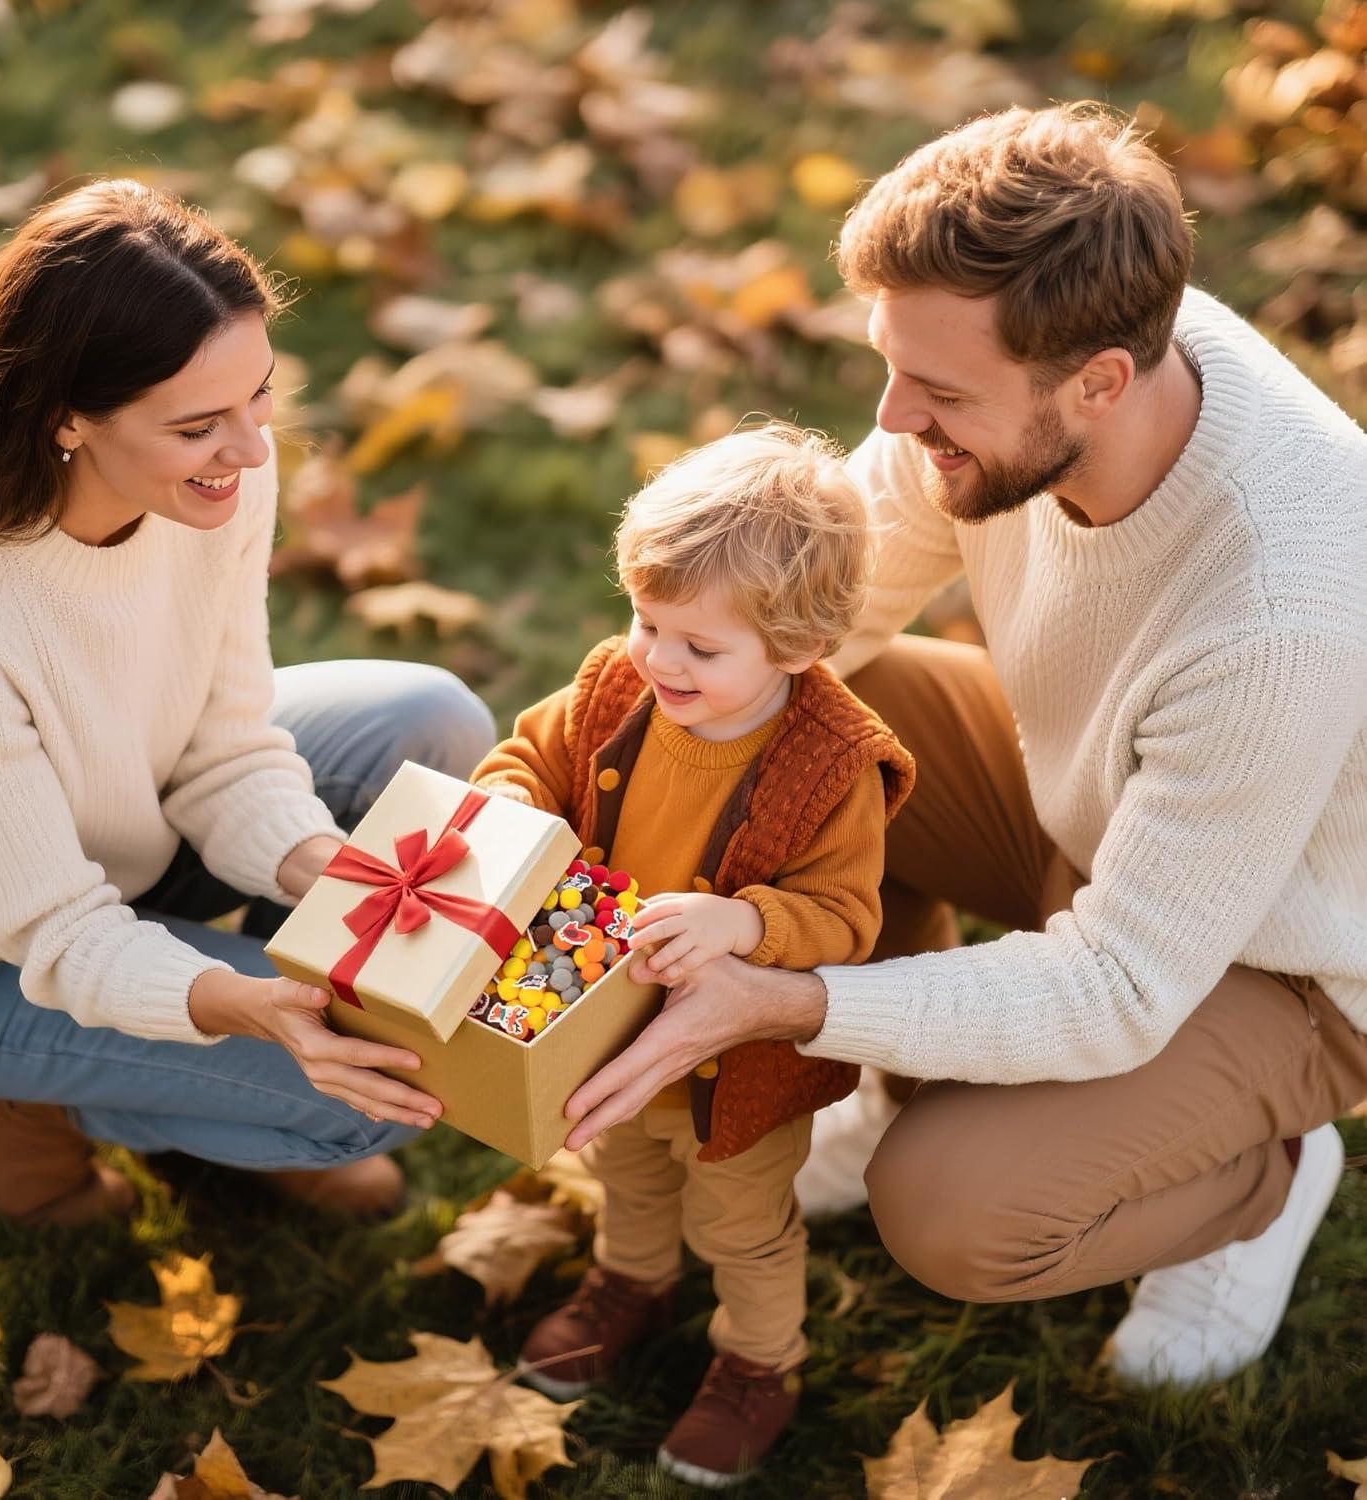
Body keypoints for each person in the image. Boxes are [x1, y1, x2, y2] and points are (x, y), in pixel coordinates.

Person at [561, 103, 1367, 1390]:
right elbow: (825, 614)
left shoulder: (1278, 617)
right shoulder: (1074, 361)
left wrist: (790, 1000)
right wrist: (611, 752)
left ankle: (1253, 1171)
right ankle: (894, 1070)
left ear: (1100, 380)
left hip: (1285, 951)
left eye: (938, 393)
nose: (892, 418)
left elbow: (1117, 986)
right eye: (891, 365)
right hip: (1088, 795)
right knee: (800, 683)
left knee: (951, 1210)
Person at [0, 179, 493, 1226]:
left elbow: (227, 749)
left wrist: (330, 871)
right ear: (68, 419)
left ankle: (204, 1076)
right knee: (377, 1102)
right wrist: (254, 1012)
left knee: (427, 720)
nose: (251, 452)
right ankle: (20, 1097)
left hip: (135, 843)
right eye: (201, 424)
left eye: (261, 398)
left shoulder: (220, 481)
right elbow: (60, 934)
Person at [471, 423, 913, 1485]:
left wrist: (749, 922)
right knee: (623, 1170)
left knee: (744, 1224)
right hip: (597, 1023)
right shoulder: (614, 690)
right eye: (646, 622)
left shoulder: (831, 765)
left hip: (735, 1070)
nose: (658, 659)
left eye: (699, 648)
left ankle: (760, 1363)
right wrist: (511, 810)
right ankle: (633, 1279)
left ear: (798, 649)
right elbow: (527, 754)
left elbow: (846, 915)